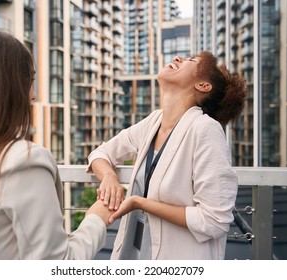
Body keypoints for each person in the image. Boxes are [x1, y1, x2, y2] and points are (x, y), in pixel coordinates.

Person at [0, 29, 114, 260]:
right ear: (3, 89)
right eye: (28, 81)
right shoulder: (23, 162)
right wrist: (96, 219)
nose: (33, 95)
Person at [86, 51, 248, 259]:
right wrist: (109, 177)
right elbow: (101, 153)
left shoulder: (206, 129)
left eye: (191, 61)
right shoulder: (154, 122)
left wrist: (139, 203)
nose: (179, 58)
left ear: (203, 85)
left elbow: (214, 220)